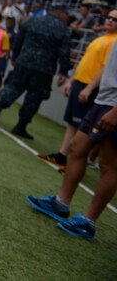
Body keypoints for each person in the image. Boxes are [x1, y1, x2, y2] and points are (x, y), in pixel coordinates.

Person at [25, 31, 117, 241]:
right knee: (77, 147)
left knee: (108, 164)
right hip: (103, 100)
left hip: (113, 106)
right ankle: (61, 203)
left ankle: (88, 222)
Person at [37, 10, 116, 168]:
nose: (109, 20)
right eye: (108, 17)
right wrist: (71, 80)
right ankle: (62, 156)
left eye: (115, 19)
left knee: (84, 129)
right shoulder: (101, 38)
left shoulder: (114, 42)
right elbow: (84, 61)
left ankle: (75, 163)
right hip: (80, 82)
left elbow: (105, 68)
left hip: (91, 87)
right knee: (73, 124)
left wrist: (89, 88)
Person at [0, 4, 72, 139]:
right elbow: (64, 53)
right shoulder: (63, 30)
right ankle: (21, 125)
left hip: (24, 61)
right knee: (34, 97)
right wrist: (63, 71)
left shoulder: (32, 21)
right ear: (60, 13)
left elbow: (18, 39)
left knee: (13, 86)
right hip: (45, 69)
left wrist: (15, 56)